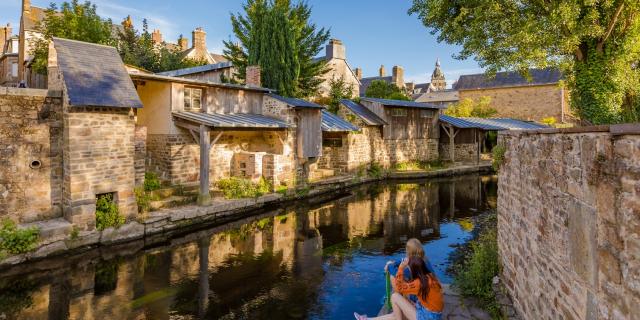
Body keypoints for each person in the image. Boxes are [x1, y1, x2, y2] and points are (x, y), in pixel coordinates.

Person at [354, 256, 444, 320]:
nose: (407, 270)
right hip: (431, 313)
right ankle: (367, 319)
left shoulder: (419, 283)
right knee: (397, 315)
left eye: (408, 268)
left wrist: (400, 267)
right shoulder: (429, 276)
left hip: (427, 316)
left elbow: (399, 287)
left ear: (414, 270)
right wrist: (400, 262)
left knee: (395, 297)